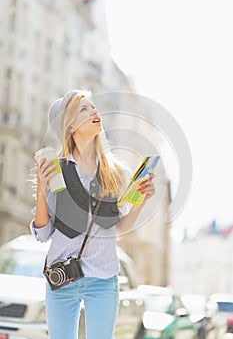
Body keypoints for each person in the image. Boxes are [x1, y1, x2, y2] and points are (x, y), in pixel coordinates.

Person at [30, 89, 156, 339]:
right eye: (84, 110)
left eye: (93, 107)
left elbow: (118, 231)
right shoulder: (56, 168)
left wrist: (141, 199)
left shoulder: (114, 172)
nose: (94, 112)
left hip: (103, 278)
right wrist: (42, 191)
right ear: (70, 126)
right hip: (63, 276)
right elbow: (43, 233)